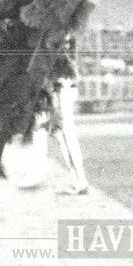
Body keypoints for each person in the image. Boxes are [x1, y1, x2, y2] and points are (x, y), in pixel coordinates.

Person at [47, 56, 89, 195]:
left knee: (67, 140)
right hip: (62, 92)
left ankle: (80, 182)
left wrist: (56, 112)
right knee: (65, 139)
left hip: (62, 94)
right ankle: (78, 181)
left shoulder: (60, 59)